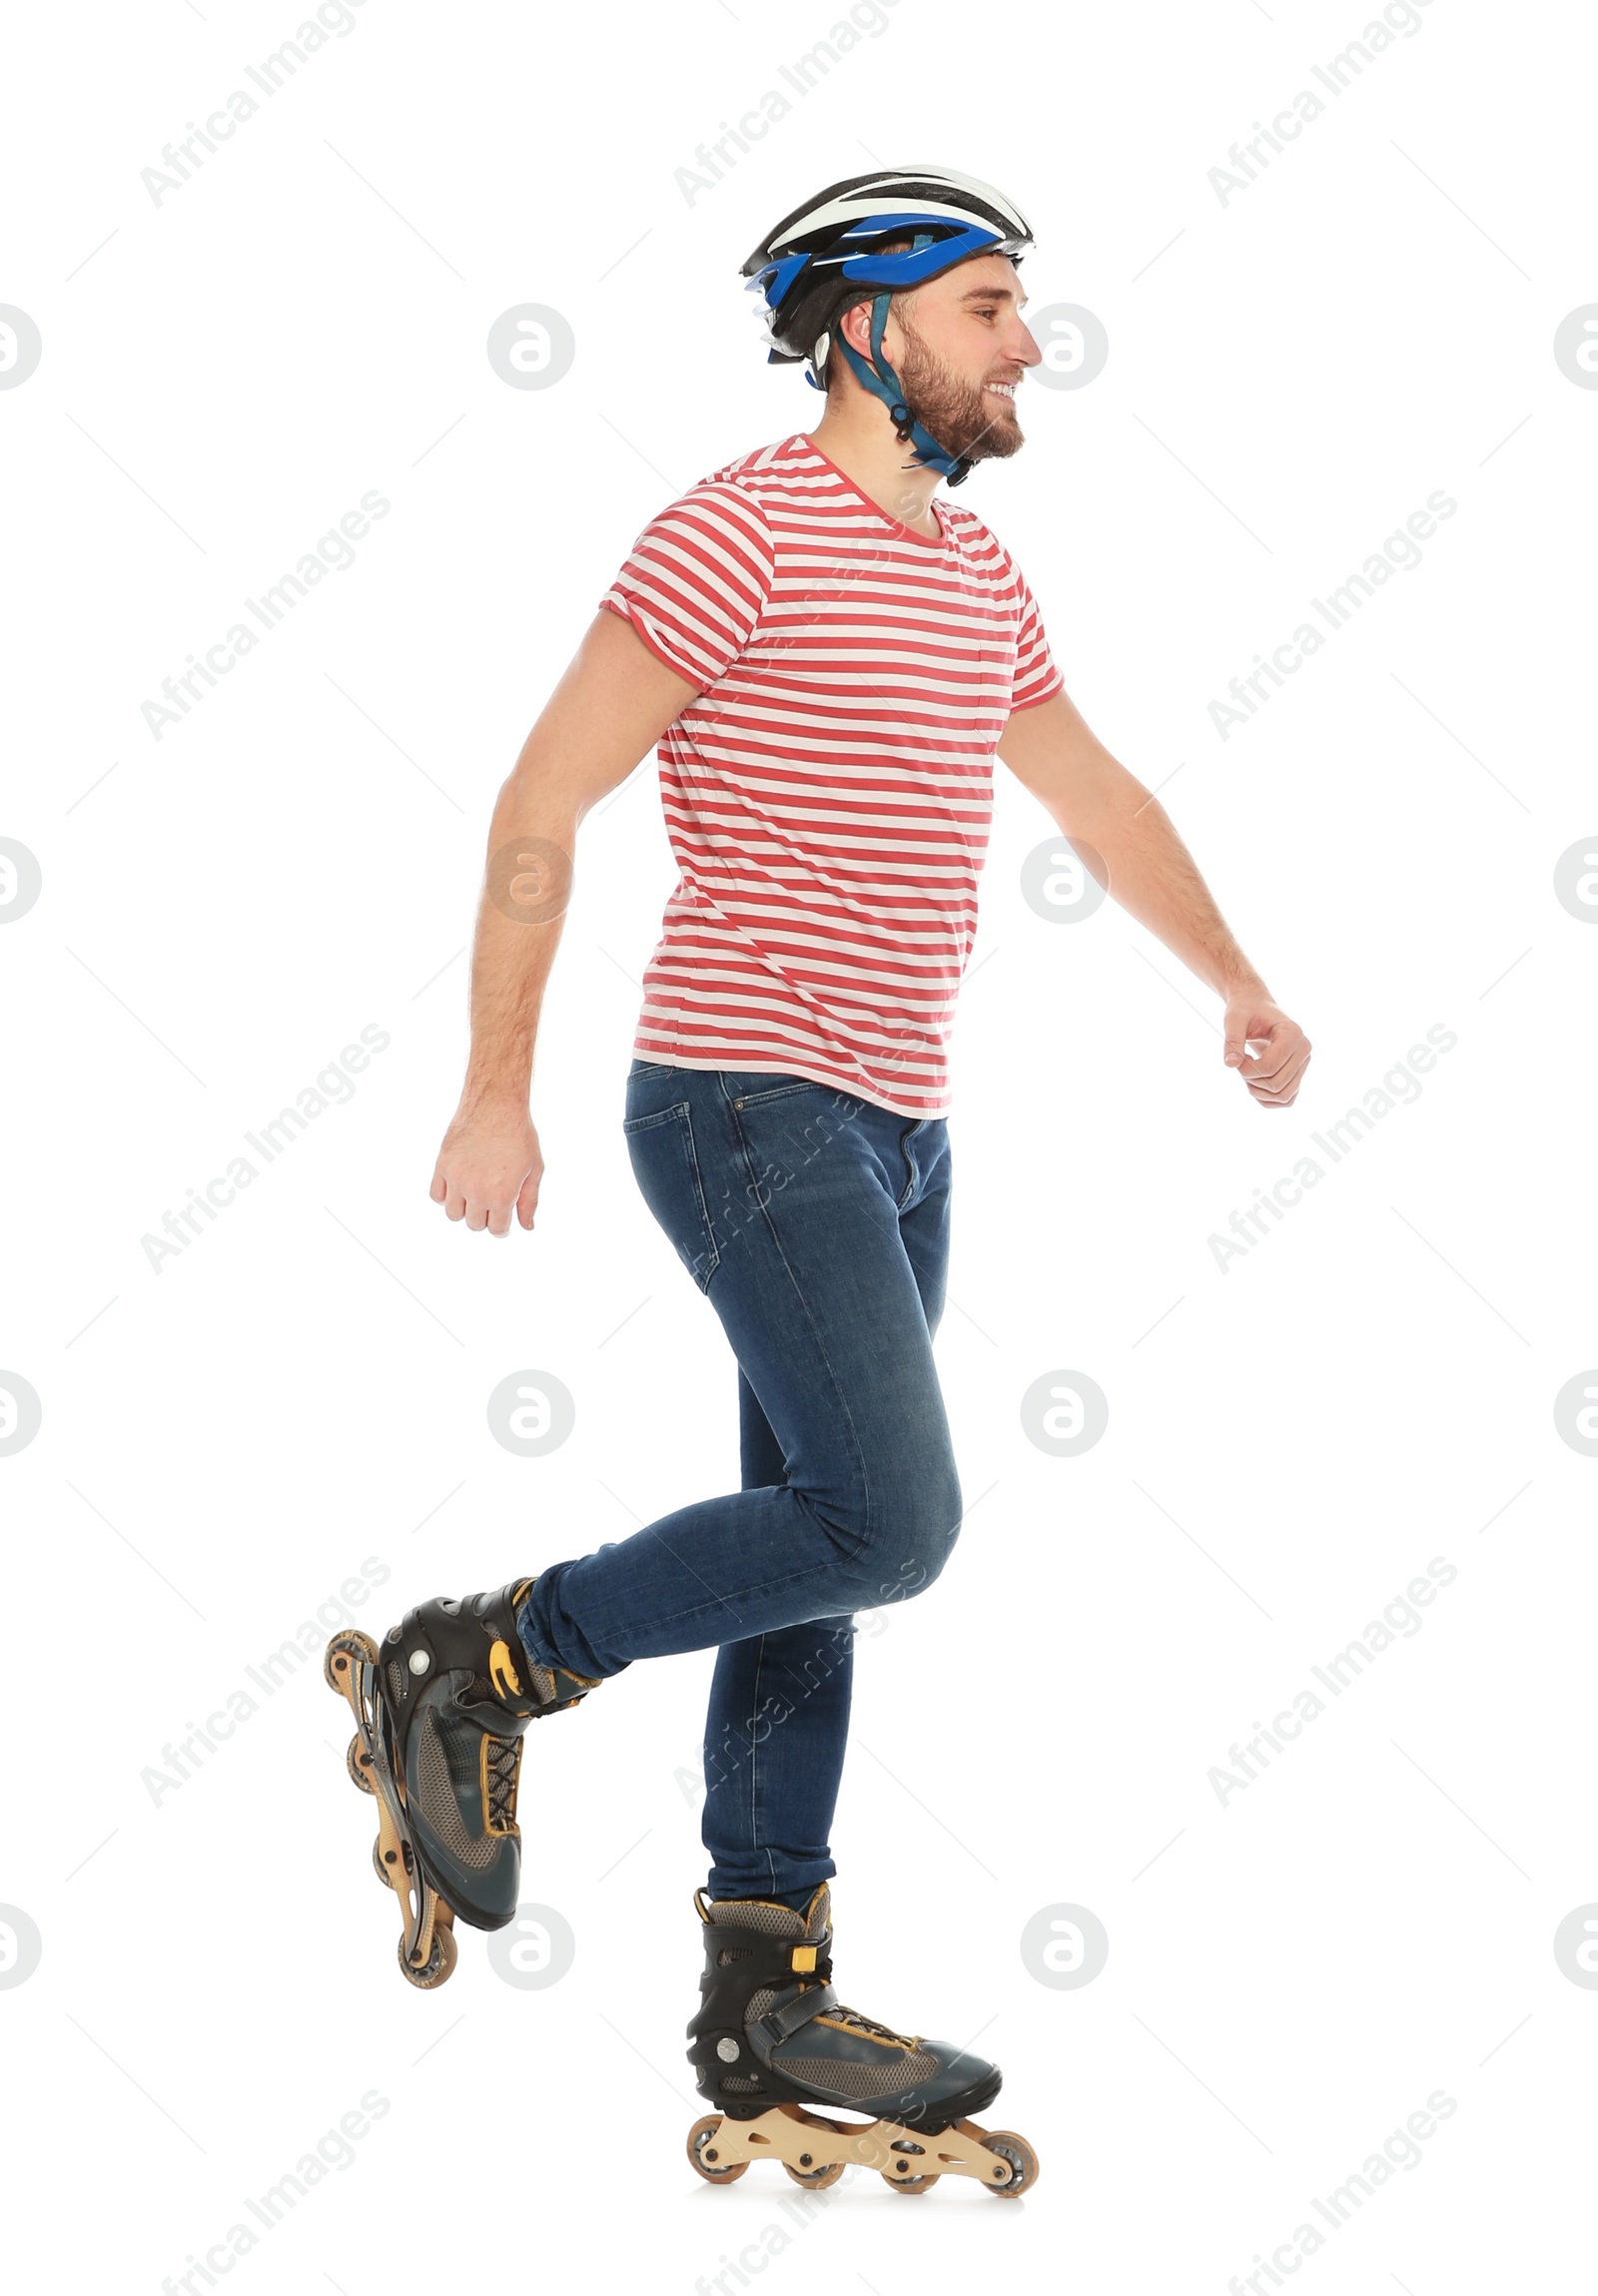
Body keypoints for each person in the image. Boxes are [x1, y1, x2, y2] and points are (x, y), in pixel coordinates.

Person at [326, 167, 1310, 2195]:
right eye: (980, 307)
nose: (1022, 342)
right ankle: (487, 1660)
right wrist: (492, 1083)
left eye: (1015, 307)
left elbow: (1094, 792)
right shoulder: (729, 536)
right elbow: (539, 790)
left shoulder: (979, 579)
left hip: (898, 1121)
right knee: (888, 1516)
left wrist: (1232, 981)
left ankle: (765, 1980)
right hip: (738, 1095)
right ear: (856, 327)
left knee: (816, 1532)